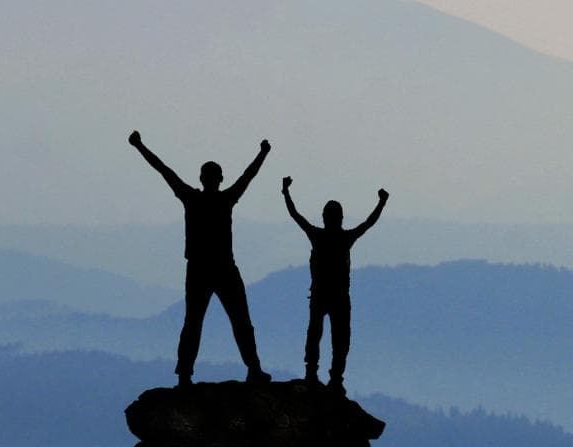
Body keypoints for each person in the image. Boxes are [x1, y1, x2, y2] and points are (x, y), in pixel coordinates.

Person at [129, 130, 273, 385]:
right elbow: (248, 176)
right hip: (222, 269)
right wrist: (262, 153)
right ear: (219, 179)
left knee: (195, 323)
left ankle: (186, 374)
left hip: (200, 270)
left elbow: (164, 170)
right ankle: (252, 369)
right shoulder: (224, 199)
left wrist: (140, 146)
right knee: (238, 321)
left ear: (203, 178)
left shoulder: (192, 198)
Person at [282, 177, 387, 394]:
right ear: (340, 218)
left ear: (325, 218)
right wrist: (381, 203)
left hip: (322, 295)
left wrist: (286, 192)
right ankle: (334, 379)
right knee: (338, 339)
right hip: (338, 296)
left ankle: (314, 374)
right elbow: (369, 223)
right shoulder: (345, 238)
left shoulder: (318, 236)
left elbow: (295, 216)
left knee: (317, 334)